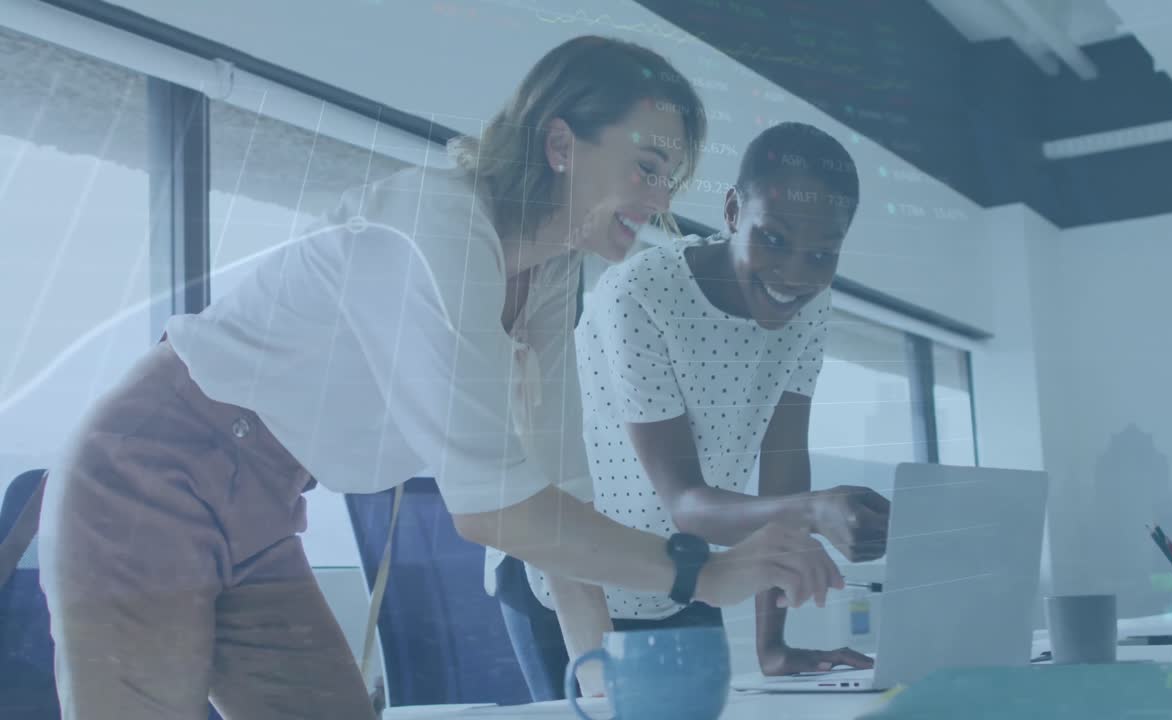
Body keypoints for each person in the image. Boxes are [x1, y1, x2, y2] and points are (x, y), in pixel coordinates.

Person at [35, 36, 845, 720]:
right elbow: (495, 511)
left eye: (672, 178)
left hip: (265, 505)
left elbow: (561, 493)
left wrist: (600, 685)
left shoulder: (555, 275)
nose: (662, 199)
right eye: (647, 166)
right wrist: (699, 569)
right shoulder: (439, 229)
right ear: (561, 146)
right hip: (148, 469)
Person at [496, 122, 889, 700]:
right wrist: (813, 509)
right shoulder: (639, 297)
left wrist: (772, 646)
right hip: (569, 579)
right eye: (774, 239)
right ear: (732, 211)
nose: (795, 275)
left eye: (822, 254)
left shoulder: (811, 305)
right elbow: (683, 500)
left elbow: (783, 464)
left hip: (682, 575)